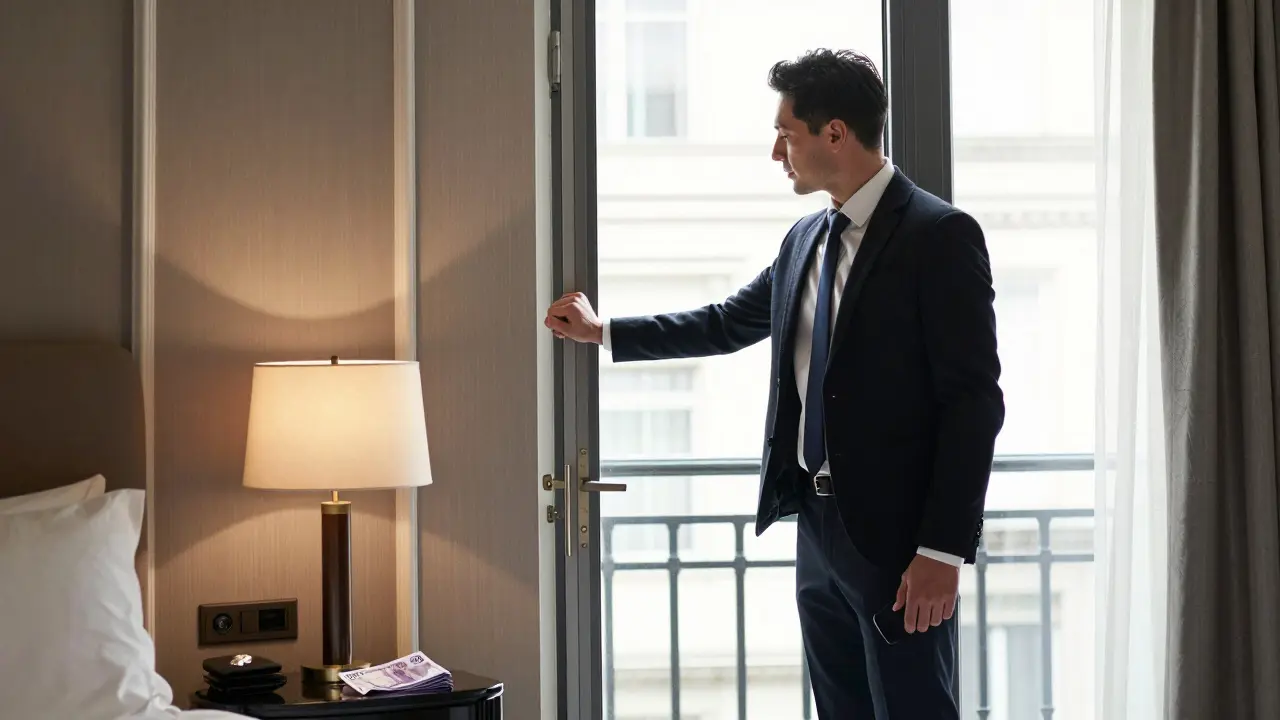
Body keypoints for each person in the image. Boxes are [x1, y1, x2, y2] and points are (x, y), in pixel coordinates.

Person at [545, 48, 1003, 719]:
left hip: (902, 542)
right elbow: (728, 321)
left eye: (786, 134)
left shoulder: (939, 236)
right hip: (816, 528)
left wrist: (942, 548)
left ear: (836, 134)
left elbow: (973, 402)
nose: (776, 152)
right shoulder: (806, 239)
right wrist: (603, 332)